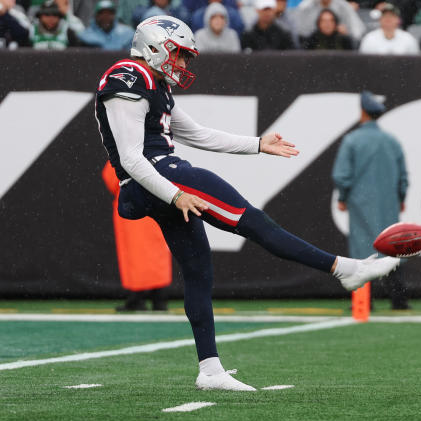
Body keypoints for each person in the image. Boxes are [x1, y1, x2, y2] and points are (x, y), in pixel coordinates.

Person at [95, 15, 399, 391]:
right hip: (158, 175)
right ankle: (342, 269)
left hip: (156, 179)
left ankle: (210, 370)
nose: (184, 64)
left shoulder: (156, 83)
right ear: (155, 46)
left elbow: (199, 135)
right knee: (254, 222)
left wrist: (257, 144)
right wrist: (175, 193)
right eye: (180, 54)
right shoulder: (128, 75)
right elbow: (131, 158)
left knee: (198, 270)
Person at [332, 91, 410, 310]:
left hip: (360, 203)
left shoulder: (352, 140)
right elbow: (403, 176)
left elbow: (341, 175)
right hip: (388, 203)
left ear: (363, 112)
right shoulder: (391, 141)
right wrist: (401, 197)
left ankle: (363, 301)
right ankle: (399, 299)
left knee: (362, 250)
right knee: (393, 247)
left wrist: (343, 197)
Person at [102, 162, 172, 312]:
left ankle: (137, 297)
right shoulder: (155, 146)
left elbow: (112, 179)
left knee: (136, 253)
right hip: (155, 201)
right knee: (156, 250)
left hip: (132, 204)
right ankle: (158, 296)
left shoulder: (124, 149)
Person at [294, 0, 366, 41]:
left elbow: (358, 31)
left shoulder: (343, 6)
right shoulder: (305, 7)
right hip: (313, 47)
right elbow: (299, 33)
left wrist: (347, 34)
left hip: (339, 47)